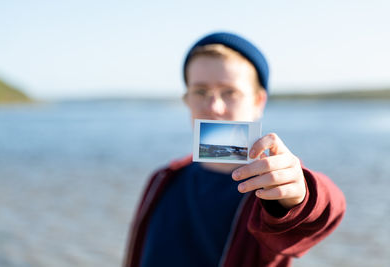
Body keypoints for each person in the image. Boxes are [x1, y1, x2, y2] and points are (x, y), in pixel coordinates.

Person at [123, 32, 346, 267]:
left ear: (258, 101)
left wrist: (302, 193)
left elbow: (327, 209)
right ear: (187, 99)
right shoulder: (163, 179)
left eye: (230, 92)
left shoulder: (269, 187)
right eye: (200, 91)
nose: (214, 107)